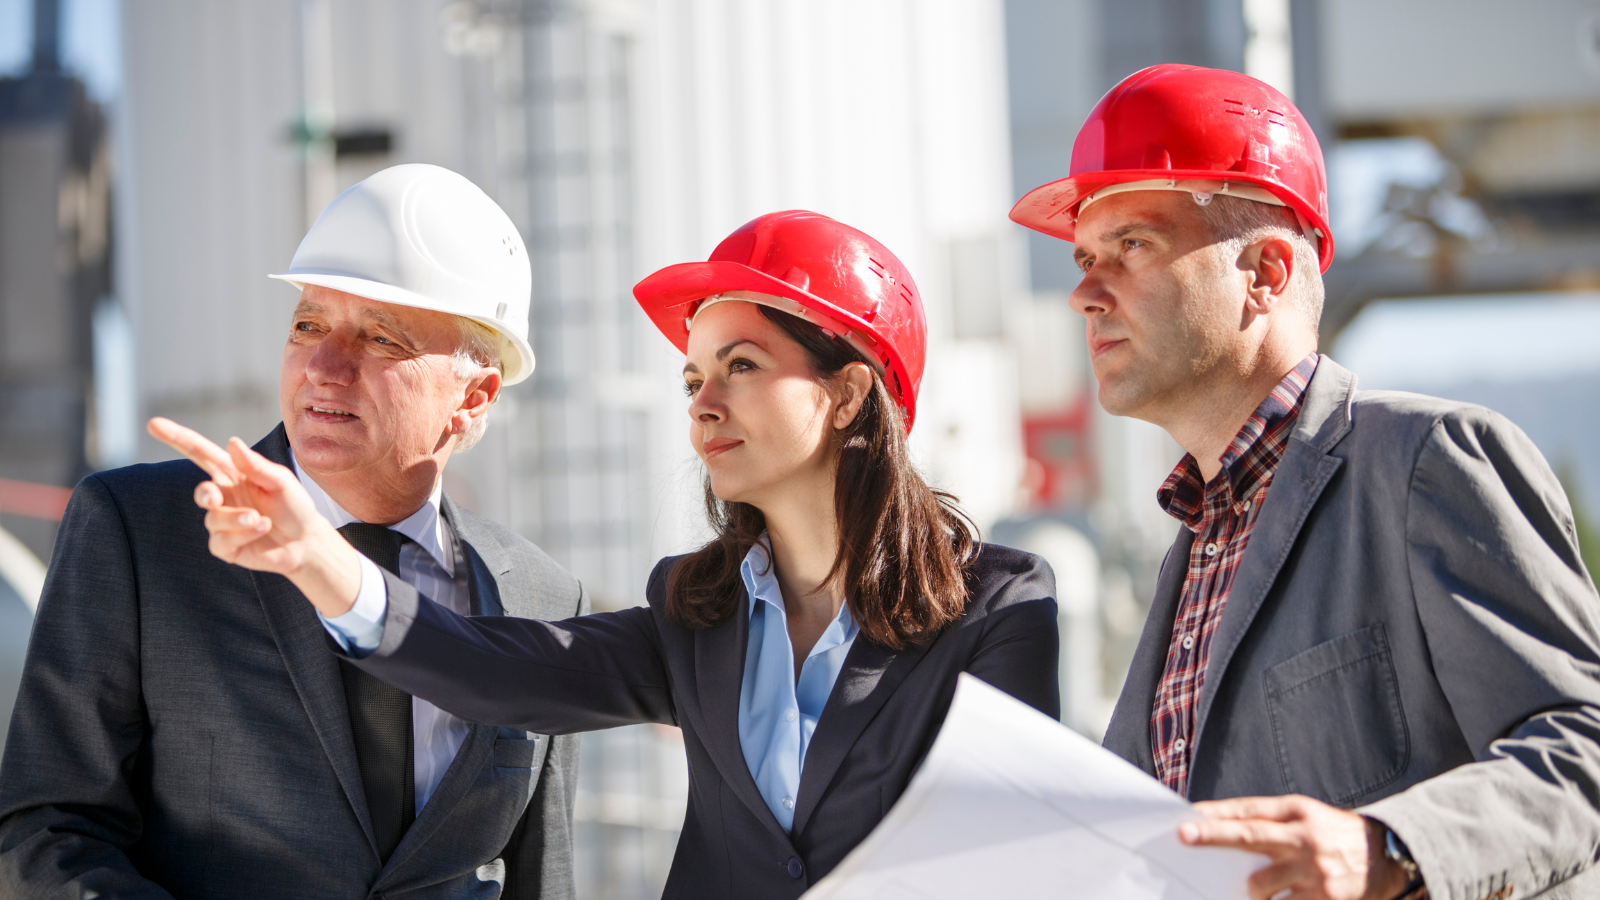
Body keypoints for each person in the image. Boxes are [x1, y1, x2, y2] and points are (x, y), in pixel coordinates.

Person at [154, 210, 1061, 899]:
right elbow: (493, 672)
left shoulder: (997, 609)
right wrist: (319, 560)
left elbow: (1017, 864)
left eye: (741, 366)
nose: (704, 403)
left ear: (851, 393)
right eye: (693, 378)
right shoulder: (695, 611)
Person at [1012, 64, 1600, 900]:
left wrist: (1392, 848)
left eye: (1131, 245)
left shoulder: (1429, 463)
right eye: (1082, 256)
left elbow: (1583, 747)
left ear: (1267, 273)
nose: (1083, 293)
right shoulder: (1195, 547)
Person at [0, 164, 587, 899]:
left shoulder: (541, 597)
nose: (323, 366)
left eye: (380, 338)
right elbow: (47, 832)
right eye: (308, 324)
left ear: (473, 398)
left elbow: (546, 878)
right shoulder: (144, 534)